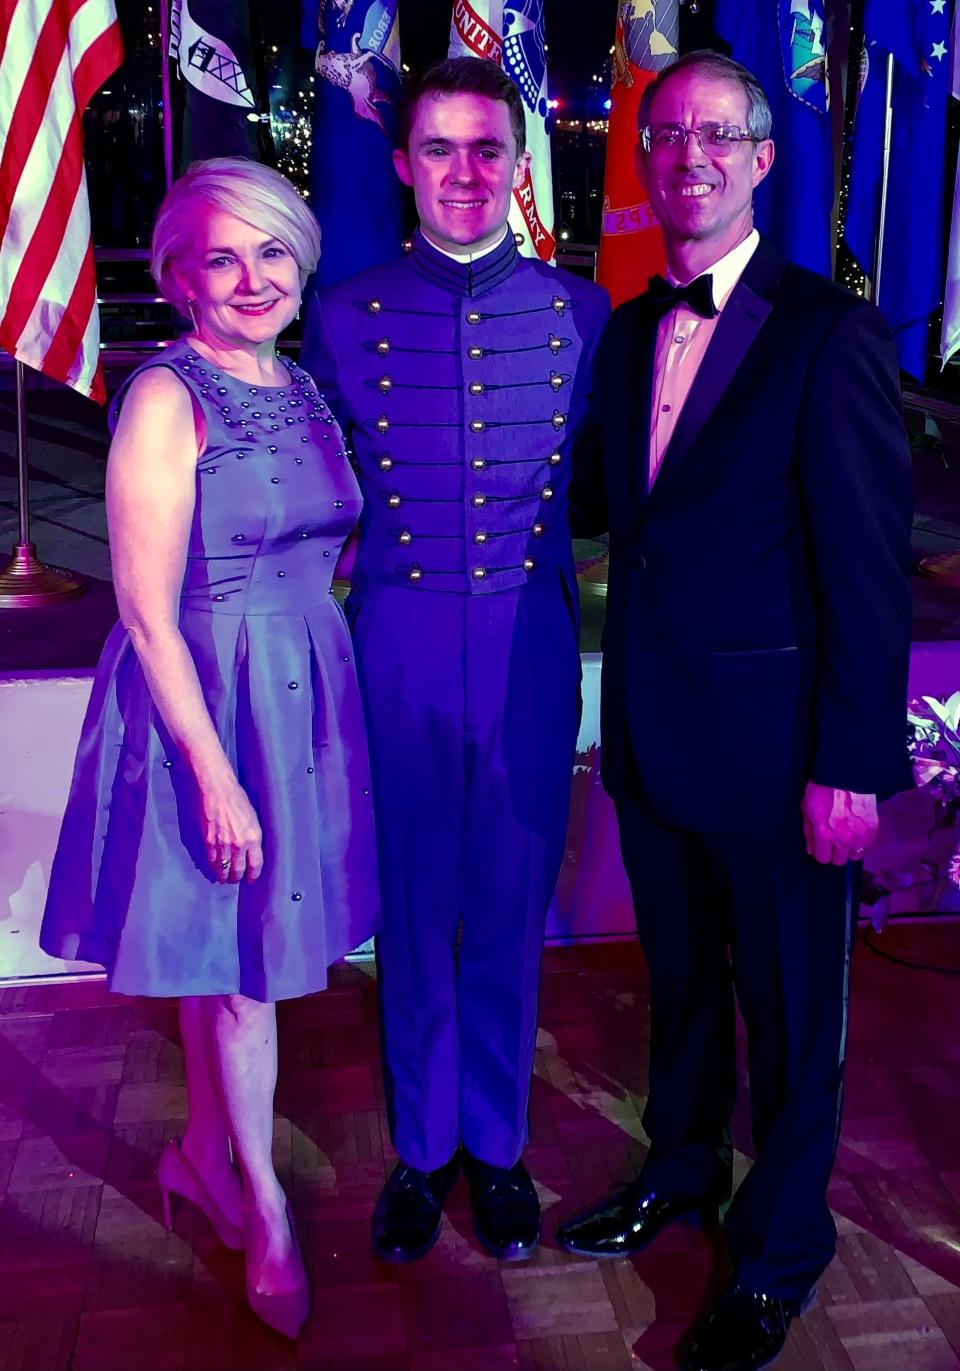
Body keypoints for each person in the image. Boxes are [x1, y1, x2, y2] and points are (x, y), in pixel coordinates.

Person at [556, 50, 913, 1371]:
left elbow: (868, 569)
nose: (690, 154)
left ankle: (778, 1252)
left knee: (792, 1007)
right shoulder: (632, 327)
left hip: (781, 759)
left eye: (720, 133)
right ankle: (682, 1167)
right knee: (685, 991)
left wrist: (852, 763)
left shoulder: (829, 331)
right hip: (655, 735)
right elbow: (605, 510)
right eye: (669, 135)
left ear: (764, 157)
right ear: (648, 160)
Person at [40, 157, 380, 1339]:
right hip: (207, 703)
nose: (251, 278)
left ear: (301, 266)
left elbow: (323, 544)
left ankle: (200, 1158)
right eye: (221, 257)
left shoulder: (302, 384)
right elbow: (143, 610)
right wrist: (216, 773)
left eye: (273, 253)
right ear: (179, 276)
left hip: (299, 691)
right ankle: (271, 1214)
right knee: (244, 973)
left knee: (236, 953)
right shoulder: (161, 398)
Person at [301, 56, 610, 1263]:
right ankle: (423, 1150)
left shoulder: (580, 313)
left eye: (489, 149)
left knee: (511, 902)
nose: (466, 173)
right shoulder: (340, 313)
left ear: (518, 163)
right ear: (401, 164)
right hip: (400, 636)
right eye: (441, 150)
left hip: (530, 639)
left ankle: (499, 1144)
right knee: (418, 903)